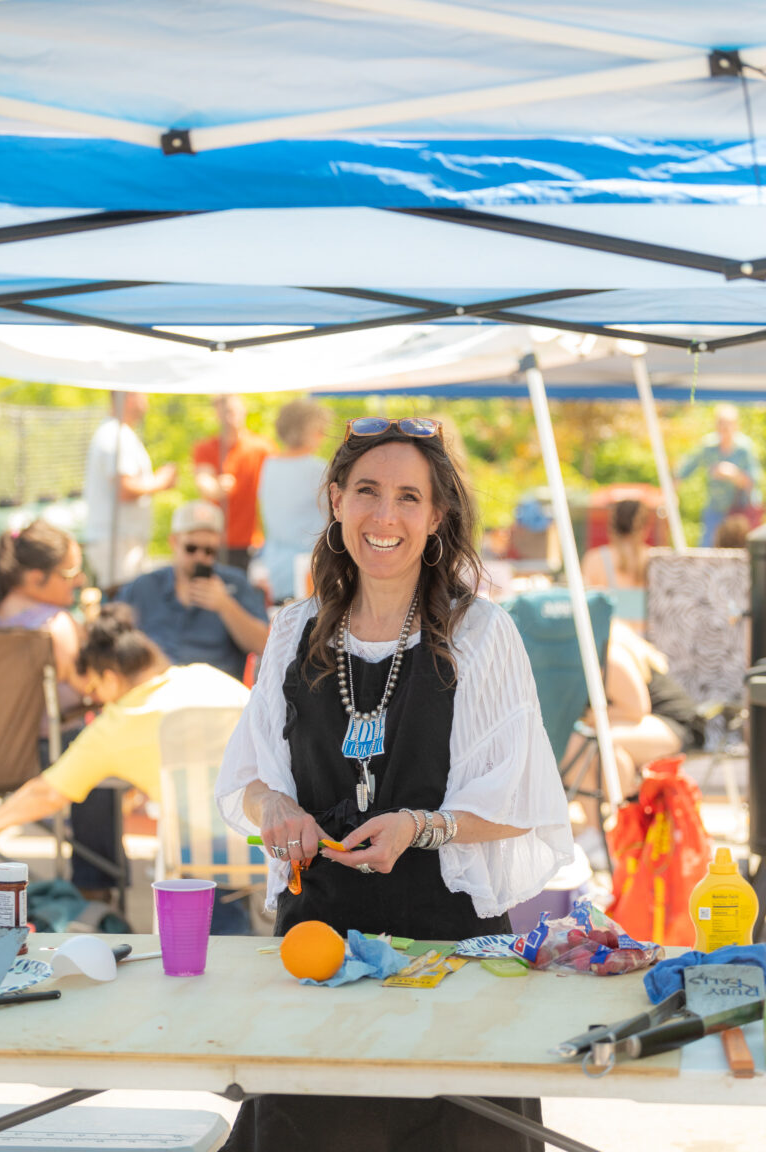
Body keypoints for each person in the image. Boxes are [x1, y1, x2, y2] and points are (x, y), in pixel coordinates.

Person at [216, 415, 574, 1152]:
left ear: (437, 516)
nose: (386, 516)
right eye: (368, 492)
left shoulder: (478, 633)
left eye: (409, 497)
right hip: (318, 947)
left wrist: (420, 827)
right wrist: (276, 805)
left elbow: (519, 802)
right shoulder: (294, 631)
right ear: (336, 500)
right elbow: (248, 777)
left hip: (449, 956)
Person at [0, 604, 251, 933]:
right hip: (270, 842)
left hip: (198, 859)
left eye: (92, 691)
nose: (95, 700)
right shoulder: (208, 677)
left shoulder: (117, 725)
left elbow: (47, 793)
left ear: (110, 678)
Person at [0, 520, 117, 898]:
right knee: (100, 763)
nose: (79, 579)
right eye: (70, 572)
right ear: (35, 577)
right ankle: (95, 885)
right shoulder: (54, 626)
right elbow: (95, 688)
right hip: (40, 756)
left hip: (5, 754)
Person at [566, 620, 706, 832]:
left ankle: (617, 826)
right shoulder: (599, 652)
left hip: (671, 723)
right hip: (643, 725)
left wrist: (586, 717)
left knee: (591, 742)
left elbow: (636, 709)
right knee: (596, 747)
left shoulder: (610, 655)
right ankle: (606, 830)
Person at [117, 501, 269, 682]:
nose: (200, 557)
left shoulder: (234, 583)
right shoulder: (145, 586)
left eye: (209, 551)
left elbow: (265, 646)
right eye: (191, 548)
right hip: (155, 693)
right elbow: (112, 631)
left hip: (215, 695)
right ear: (174, 541)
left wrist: (226, 606)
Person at [83, 391, 177, 589]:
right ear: (129, 397)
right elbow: (124, 489)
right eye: (142, 394)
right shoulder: (114, 434)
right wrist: (161, 481)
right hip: (117, 543)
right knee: (121, 606)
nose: (147, 399)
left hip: (122, 541)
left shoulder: (120, 433)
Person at [258, 398, 328, 603]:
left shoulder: (268, 466)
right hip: (311, 571)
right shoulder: (317, 469)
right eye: (320, 429)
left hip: (274, 570)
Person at [193, 394, 276, 570]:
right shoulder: (206, 447)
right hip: (216, 540)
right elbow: (203, 480)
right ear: (216, 413)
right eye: (225, 411)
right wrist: (216, 487)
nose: (230, 416)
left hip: (252, 541)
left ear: (243, 411)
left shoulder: (262, 447)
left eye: (234, 410)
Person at [675, 403, 762, 546]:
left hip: (740, 511)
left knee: (742, 548)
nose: (725, 428)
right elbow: (686, 468)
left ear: (736, 425)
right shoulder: (708, 446)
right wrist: (672, 490)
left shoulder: (744, 448)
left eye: (728, 424)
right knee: (708, 546)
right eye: (721, 423)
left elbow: (752, 482)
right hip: (716, 507)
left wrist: (733, 474)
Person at [580, 499, 649, 632]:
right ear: (645, 528)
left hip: (611, 645)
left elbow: (586, 607)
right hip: (650, 648)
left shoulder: (594, 559)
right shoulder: (654, 560)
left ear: (611, 526)